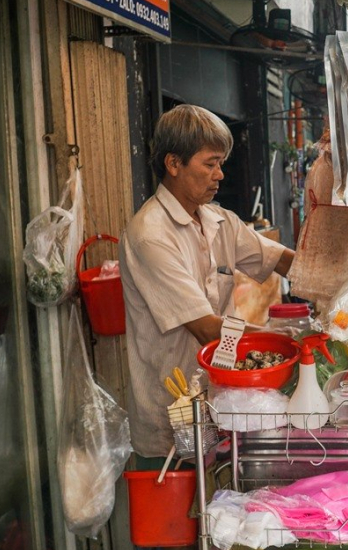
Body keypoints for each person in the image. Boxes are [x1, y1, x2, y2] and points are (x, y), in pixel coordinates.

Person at [119, 105, 296, 464]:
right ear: (174, 164)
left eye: (221, 163)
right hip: (173, 422)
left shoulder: (218, 219)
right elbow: (206, 329)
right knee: (184, 515)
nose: (220, 175)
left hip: (222, 407)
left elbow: (279, 259)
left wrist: (346, 285)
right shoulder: (150, 235)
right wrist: (288, 343)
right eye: (210, 163)